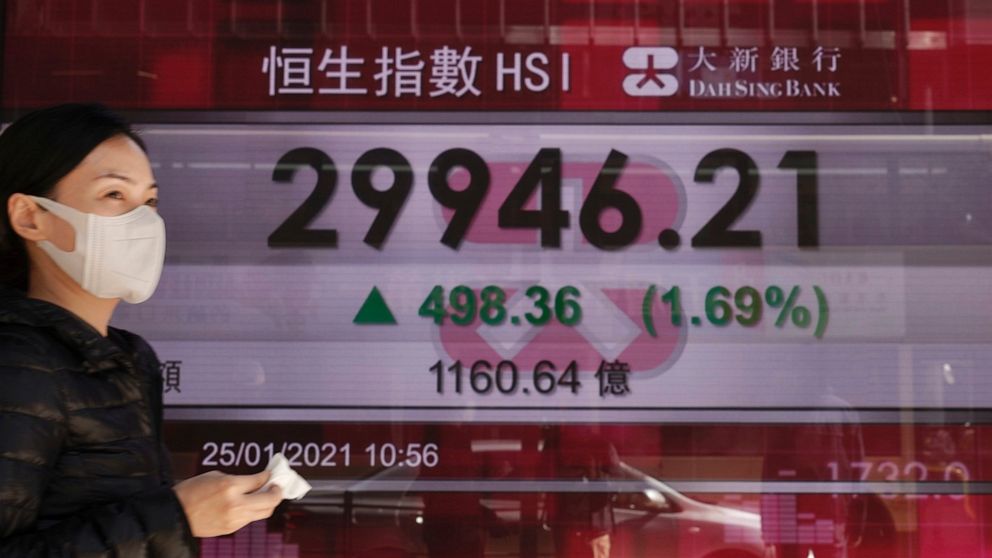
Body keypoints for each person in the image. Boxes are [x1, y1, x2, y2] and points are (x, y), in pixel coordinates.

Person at [0, 103, 283, 556]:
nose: (144, 222)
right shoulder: (18, 362)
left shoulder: (127, 358)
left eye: (149, 202)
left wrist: (176, 516)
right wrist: (177, 517)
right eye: (114, 194)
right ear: (30, 217)